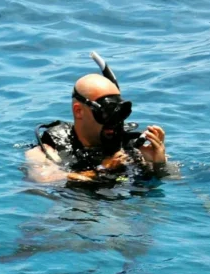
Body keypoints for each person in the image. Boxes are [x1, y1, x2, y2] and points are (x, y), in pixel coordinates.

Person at [25, 53, 169, 184]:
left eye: (119, 113)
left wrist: (158, 163)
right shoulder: (50, 148)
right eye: (105, 113)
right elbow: (42, 180)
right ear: (79, 111)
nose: (114, 121)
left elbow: (174, 180)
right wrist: (101, 169)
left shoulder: (130, 145)